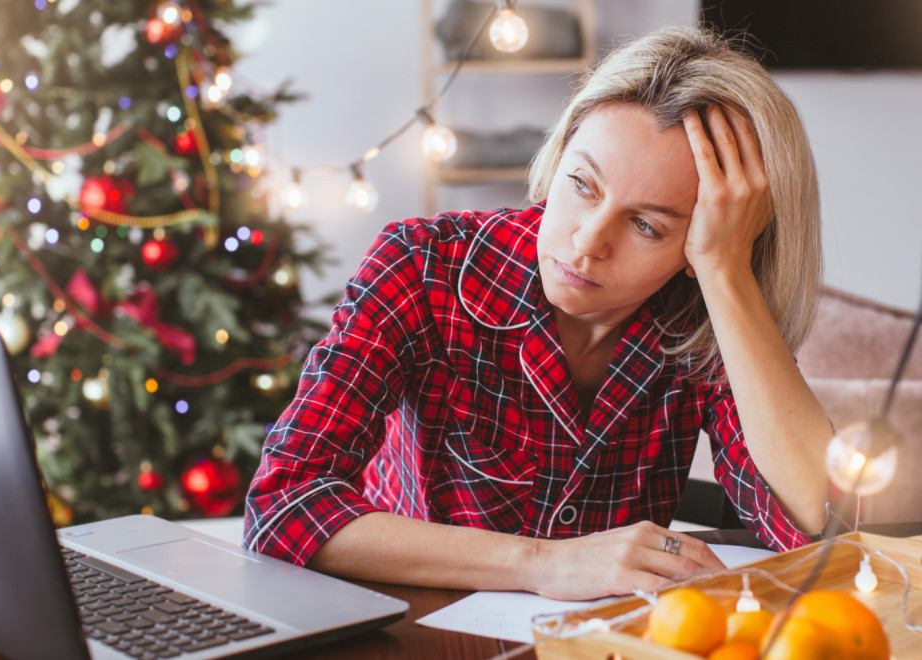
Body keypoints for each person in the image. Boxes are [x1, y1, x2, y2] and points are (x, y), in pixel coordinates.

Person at [243, 26, 833, 602]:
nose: (588, 242)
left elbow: (815, 522)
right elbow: (283, 504)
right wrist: (544, 563)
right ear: (559, 156)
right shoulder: (421, 267)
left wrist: (726, 271)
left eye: (647, 225)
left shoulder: (704, 320)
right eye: (582, 184)